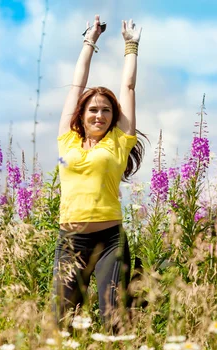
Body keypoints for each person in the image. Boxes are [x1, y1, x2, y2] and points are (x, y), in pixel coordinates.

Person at [53, 15, 145, 331]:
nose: (100, 115)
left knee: (113, 318)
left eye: (106, 110)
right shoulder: (67, 138)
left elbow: (128, 87)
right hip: (71, 240)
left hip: (109, 241)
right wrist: (89, 41)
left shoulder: (119, 142)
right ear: (82, 113)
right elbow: (77, 84)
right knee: (62, 322)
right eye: (93, 109)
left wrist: (130, 46)